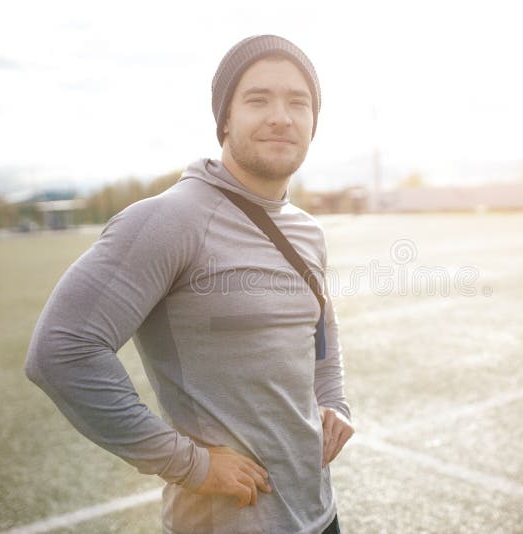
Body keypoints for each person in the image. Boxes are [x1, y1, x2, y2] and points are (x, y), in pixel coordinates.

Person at [25, 34, 354, 534]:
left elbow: (321, 327)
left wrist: (334, 398)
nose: (281, 117)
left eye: (298, 102)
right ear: (225, 119)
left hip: (319, 514)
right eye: (258, 99)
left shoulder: (307, 229)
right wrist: (189, 464)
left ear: (314, 121)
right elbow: (60, 351)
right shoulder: (168, 220)